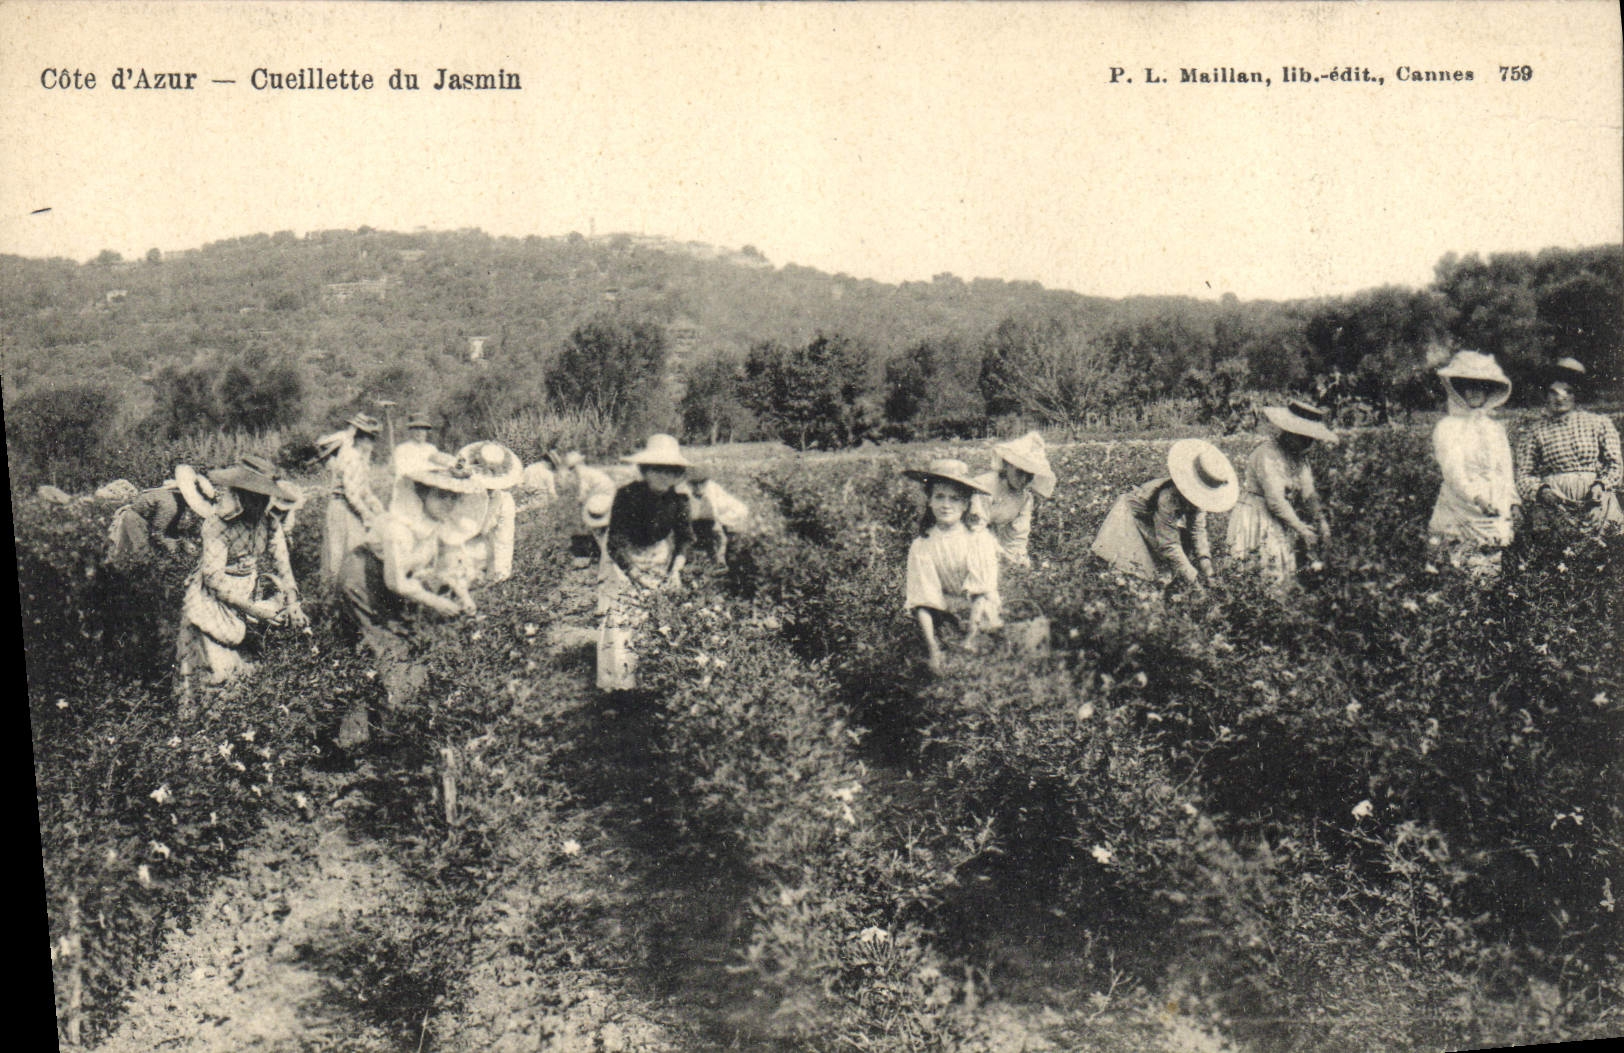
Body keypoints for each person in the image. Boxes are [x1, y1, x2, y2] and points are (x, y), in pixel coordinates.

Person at [338, 448, 506, 747]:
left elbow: (444, 567)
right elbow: (397, 582)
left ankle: (389, 723)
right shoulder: (397, 526)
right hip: (364, 579)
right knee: (385, 645)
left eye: (454, 497)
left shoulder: (436, 524)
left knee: (403, 642)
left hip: (395, 582)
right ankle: (380, 734)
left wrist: (463, 595)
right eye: (442, 496)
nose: (449, 504)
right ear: (422, 493)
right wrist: (439, 603)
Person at [175, 456, 307, 709]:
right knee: (214, 675)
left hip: (246, 597)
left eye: (265, 498)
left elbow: (283, 564)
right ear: (240, 495)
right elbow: (213, 579)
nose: (260, 505)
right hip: (212, 602)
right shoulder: (218, 524)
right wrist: (253, 609)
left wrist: (293, 602)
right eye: (254, 498)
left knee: (246, 677)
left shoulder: (269, 523)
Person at [597, 434, 694, 691]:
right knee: (622, 619)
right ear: (645, 470)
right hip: (625, 560)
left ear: (678, 474)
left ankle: (651, 682)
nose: (665, 476)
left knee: (656, 616)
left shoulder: (679, 501)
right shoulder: (627, 496)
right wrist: (633, 572)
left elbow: (685, 539)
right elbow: (614, 541)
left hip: (659, 559)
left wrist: (676, 571)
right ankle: (620, 685)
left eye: (671, 471)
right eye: (658, 470)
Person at [1091, 439, 1238, 586]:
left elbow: (1197, 530)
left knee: (1164, 571)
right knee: (1133, 574)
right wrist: (1195, 581)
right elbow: (1169, 544)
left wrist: (1207, 568)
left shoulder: (1199, 500)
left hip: (1153, 522)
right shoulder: (1168, 497)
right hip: (1130, 518)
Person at [903, 459, 1002, 677]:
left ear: (966, 504)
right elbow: (923, 600)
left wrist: (969, 640)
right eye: (939, 497)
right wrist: (933, 650)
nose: (946, 505)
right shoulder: (922, 545)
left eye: (954, 498)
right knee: (931, 668)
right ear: (929, 500)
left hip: (980, 614)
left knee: (983, 668)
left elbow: (981, 594)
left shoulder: (978, 539)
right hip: (942, 617)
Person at [1428, 351, 1518, 580]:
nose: (1475, 392)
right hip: (1462, 504)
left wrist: (1512, 501)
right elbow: (1453, 471)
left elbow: (1505, 470)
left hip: (1494, 505)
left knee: (1489, 572)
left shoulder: (1494, 428)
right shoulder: (1448, 427)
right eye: (1468, 386)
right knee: (1458, 570)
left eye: (1481, 386)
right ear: (1457, 389)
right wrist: (1477, 498)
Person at [1226, 400, 1337, 587]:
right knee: (1261, 571)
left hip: (1278, 518)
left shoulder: (1299, 459)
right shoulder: (1268, 454)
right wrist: (1301, 528)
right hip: (1257, 515)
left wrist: (1322, 523)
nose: (1307, 443)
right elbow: (1275, 500)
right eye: (1303, 437)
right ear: (1290, 433)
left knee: (1279, 574)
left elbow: (1309, 494)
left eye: (1310, 439)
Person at [1514, 358, 1623, 533]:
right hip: (1555, 502)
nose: (1560, 398)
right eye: (1553, 392)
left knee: (1604, 544)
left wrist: (1600, 485)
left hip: (1596, 498)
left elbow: (1615, 464)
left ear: (1577, 394)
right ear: (1545, 395)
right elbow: (1524, 475)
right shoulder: (1534, 432)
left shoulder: (1599, 423)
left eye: (1568, 391)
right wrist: (1542, 491)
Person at [971, 431, 1057, 568]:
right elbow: (974, 529)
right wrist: (999, 555)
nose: (1024, 480)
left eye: (1029, 475)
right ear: (1006, 465)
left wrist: (1016, 560)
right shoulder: (984, 487)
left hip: (989, 541)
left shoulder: (1024, 499)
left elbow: (1018, 537)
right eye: (1020, 472)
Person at [317, 414, 386, 582]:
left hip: (350, 509)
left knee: (354, 550)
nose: (371, 444)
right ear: (360, 438)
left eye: (372, 439)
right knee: (338, 553)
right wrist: (366, 514)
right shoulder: (350, 457)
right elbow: (351, 493)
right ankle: (332, 593)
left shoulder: (361, 460)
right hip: (341, 507)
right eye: (368, 438)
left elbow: (364, 489)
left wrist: (377, 506)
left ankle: (348, 589)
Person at [104, 464, 210, 566]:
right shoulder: (170, 505)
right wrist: (177, 544)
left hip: (143, 519)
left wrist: (180, 541)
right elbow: (156, 533)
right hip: (134, 521)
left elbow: (170, 528)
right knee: (143, 558)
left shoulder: (175, 500)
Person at [556, 450, 620, 567]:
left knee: (596, 526)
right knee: (602, 527)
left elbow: (583, 491)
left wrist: (580, 502)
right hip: (608, 496)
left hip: (602, 498)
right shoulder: (589, 471)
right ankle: (603, 553)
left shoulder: (581, 473)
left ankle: (601, 554)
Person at [686, 467, 751, 568]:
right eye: (694, 483)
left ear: (707, 481)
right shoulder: (682, 492)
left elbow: (740, 509)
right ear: (688, 482)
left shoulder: (712, 489)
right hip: (689, 527)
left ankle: (719, 565)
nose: (698, 487)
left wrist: (721, 520)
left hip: (711, 526)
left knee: (719, 541)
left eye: (702, 482)